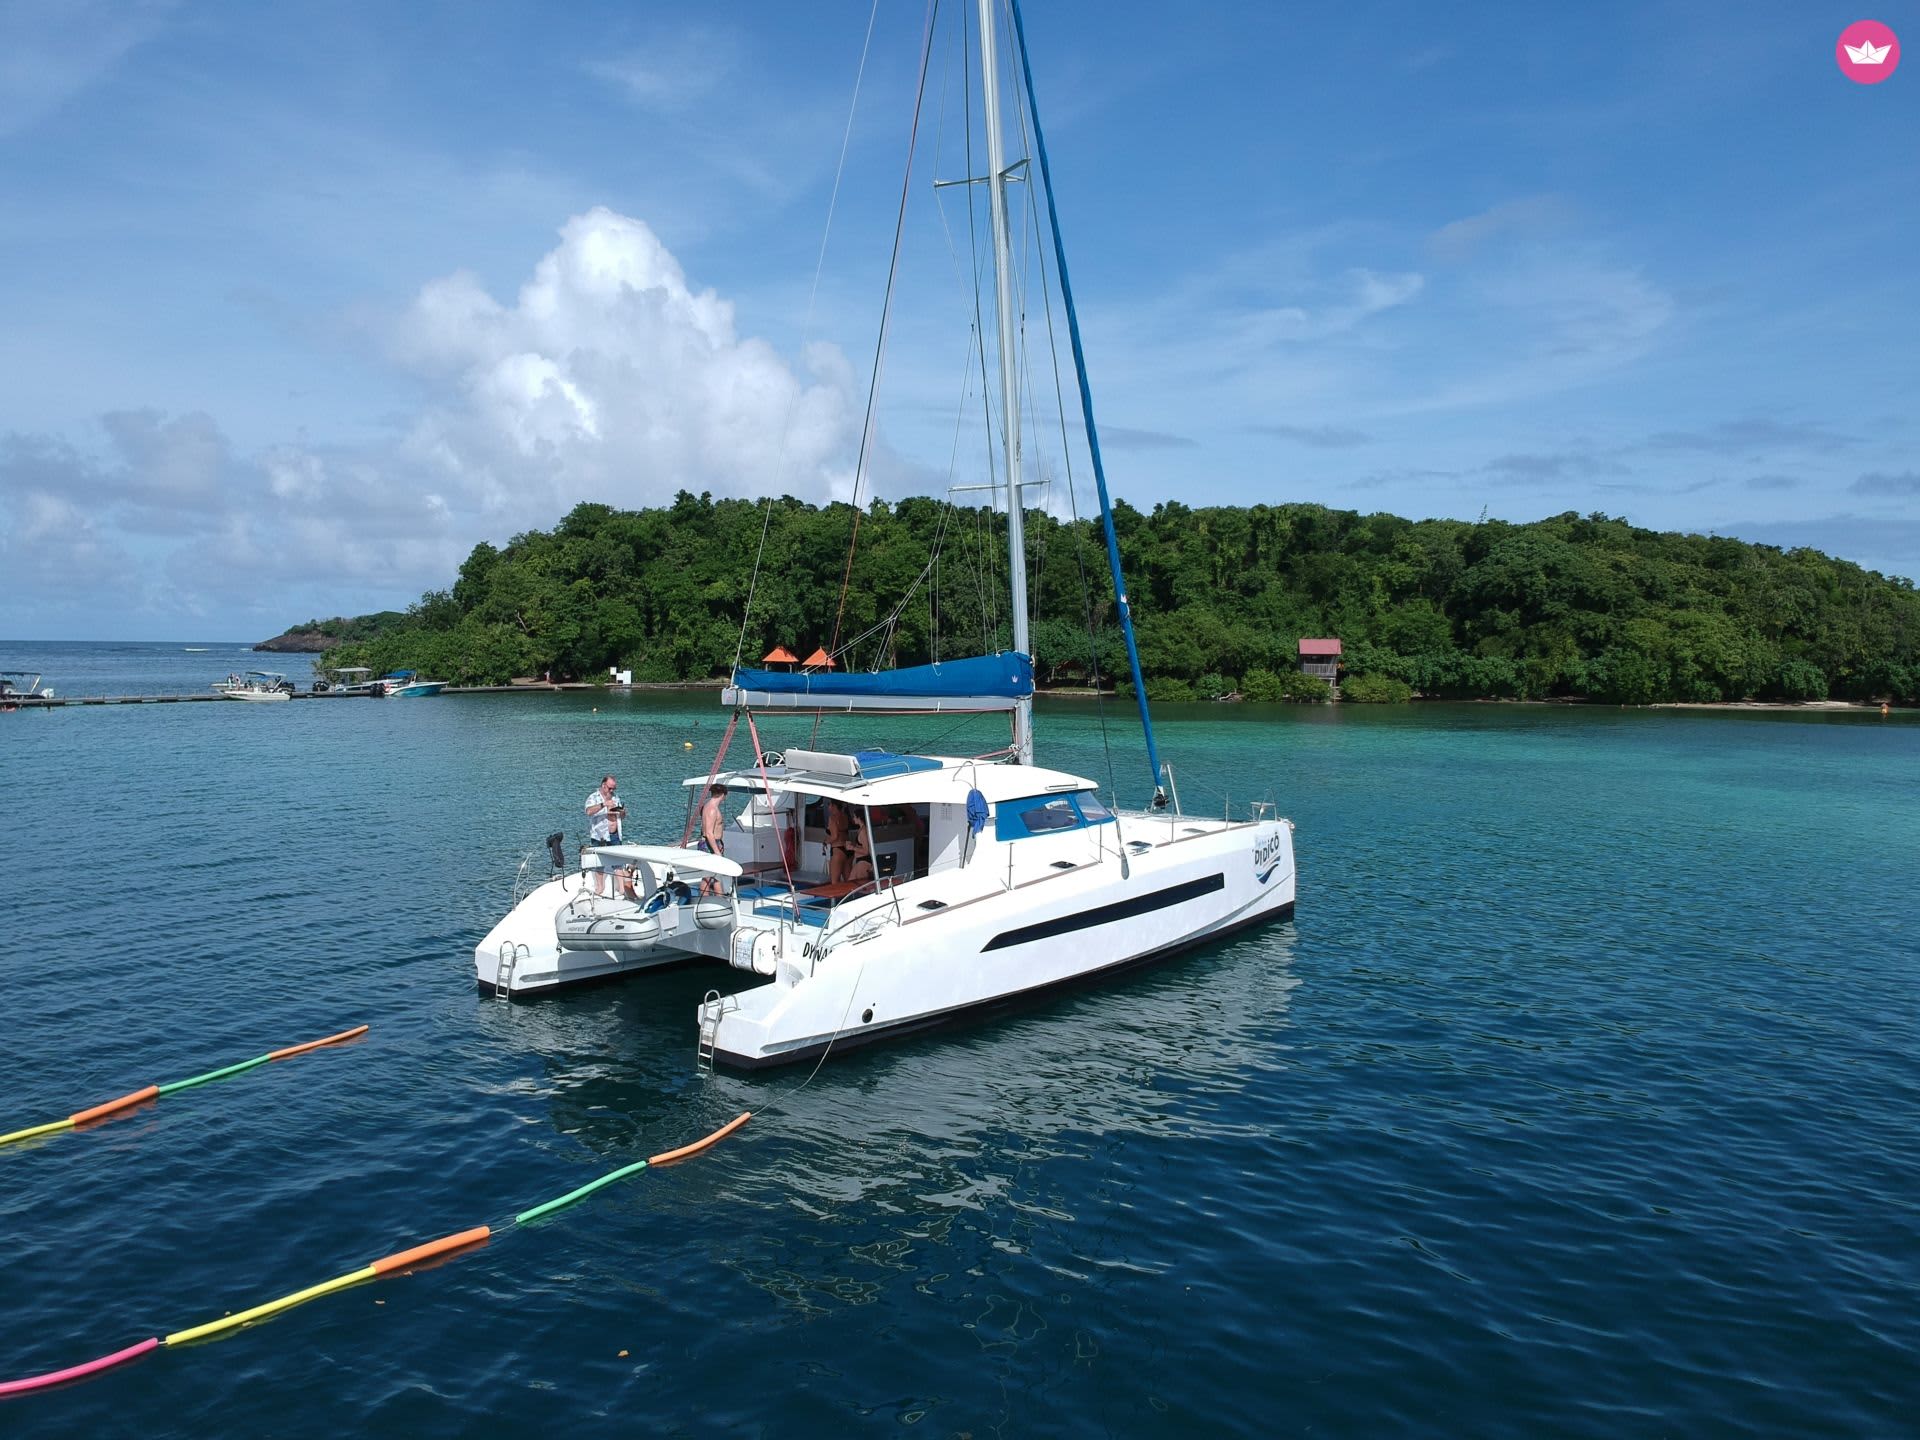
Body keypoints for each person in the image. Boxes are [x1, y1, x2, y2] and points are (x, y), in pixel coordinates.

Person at [585, 774, 624, 895]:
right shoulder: (593, 797)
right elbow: (588, 811)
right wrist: (603, 804)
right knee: (599, 862)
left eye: (614, 789)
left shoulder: (615, 797)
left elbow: (622, 815)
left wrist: (622, 811)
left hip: (615, 834)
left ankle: (622, 889)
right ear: (603, 785)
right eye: (610, 788)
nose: (612, 791)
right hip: (600, 835)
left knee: (618, 862)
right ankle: (600, 887)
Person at [694, 783, 727, 895]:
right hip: (710, 845)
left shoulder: (708, 807)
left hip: (714, 844)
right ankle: (704, 900)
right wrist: (717, 852)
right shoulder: (711, 809)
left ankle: (719, 899)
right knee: (707, 877)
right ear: (723, 795)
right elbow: (708, 832)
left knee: (716, 875)